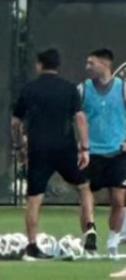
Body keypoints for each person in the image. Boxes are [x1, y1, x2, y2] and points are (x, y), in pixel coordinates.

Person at [12, 48, 94, 260]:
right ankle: (90, 229)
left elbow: (15, 122)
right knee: (84, 187)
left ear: (39, 65)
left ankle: (32, 244)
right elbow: (80, 119)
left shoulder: (29, 89)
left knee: (34, 198)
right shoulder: (69, 89)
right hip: (64, 148)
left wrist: (19, 147)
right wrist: (84, 148)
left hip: (38, 149)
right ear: (58, 66)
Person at [79, 49, 126, 258]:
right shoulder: (83, 89)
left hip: (117, 152)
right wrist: (82, 146)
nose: (88, 67)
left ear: (105, 64)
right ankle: (90, 236)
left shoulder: (123, 88)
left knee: (118, 199)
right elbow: (75, 117)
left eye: (92, 63)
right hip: (92, 152)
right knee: (87, 194)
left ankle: (113, 240)